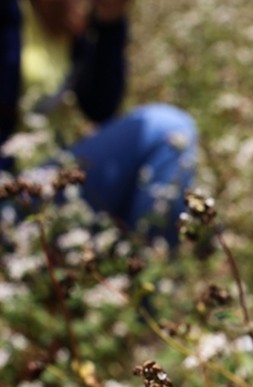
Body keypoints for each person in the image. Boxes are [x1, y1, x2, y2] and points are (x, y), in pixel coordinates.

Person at [0, 0, 196, 245]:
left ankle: (149, 267)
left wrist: (110, 17)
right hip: (11, 193)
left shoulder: (62, 13)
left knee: (166, 131)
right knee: (170, 128)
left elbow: (99, 107)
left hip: (47, 182)